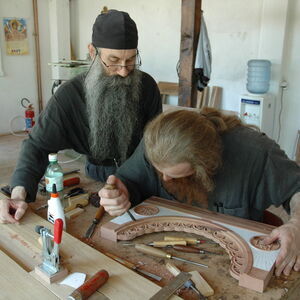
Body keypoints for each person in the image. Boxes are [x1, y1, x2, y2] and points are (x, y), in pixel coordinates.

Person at [0, 10, 162, 224]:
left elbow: (154, 146)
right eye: (113, 60)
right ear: (92, 52)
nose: (124, 71)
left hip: (140, 175)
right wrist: (18, 195)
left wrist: (132, 182)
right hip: (94, 175)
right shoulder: (69, 95)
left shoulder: (147, 87)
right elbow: (37, 145)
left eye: (131, 60)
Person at [99, 107, 300, 277]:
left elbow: (297, 190)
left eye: (175, 175)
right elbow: (128, 180)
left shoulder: (256, 153)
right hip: (165, 250)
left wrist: (297, 224)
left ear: (205, 165)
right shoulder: (155, 143)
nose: (165, 179)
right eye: (159, 171)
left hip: (230, 261)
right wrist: (120, 192)